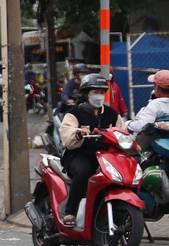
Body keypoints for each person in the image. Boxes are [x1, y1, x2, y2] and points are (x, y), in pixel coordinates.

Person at [59, 73, 126, 227]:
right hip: (79, 154)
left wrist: (132, 142)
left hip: (106, 156)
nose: (99, 96)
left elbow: (123, 131)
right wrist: (78, 133)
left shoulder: (111, 114)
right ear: (86, 93)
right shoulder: (75, 112)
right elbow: (67, 133)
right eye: (95, 92)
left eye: (102, 93)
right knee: (84, 172)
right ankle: (71, 212)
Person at [126, 70, 169, 135]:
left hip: (156, 138)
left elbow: (141, 126)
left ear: (157, 86)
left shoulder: (156, 105)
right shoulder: (156, 101)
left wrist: (127, 123)